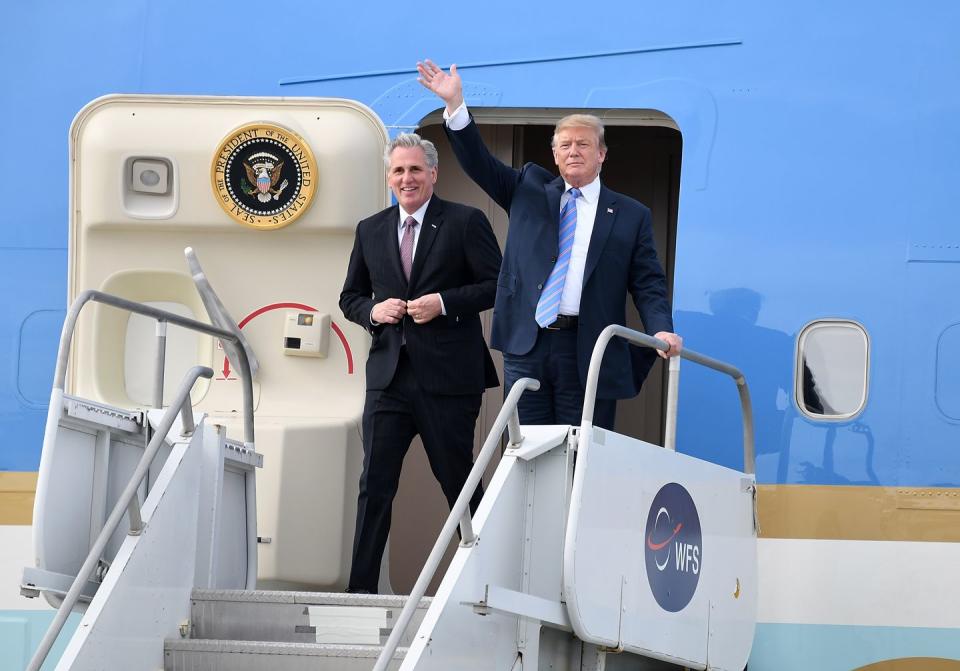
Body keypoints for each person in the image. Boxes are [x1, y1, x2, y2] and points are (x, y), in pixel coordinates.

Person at [416, 60, 683, 431]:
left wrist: (660, 329)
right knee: (529, 452)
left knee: (579, 454)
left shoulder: (630, 214)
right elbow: (479, 163)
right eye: (565, 145)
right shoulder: (527, 189)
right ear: (555, 155)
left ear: (602, 154)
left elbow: (648, 283)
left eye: (583, 144)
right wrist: (455, 106)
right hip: (529, 345)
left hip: (589, 349)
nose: (573, 151)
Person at [339, 133, 502, 593]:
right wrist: (373, 311)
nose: (406, 179)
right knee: (375, 487)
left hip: (448, 380)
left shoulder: (465, 222)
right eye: (398, 171)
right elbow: (349, 295)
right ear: (389, 178)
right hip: (389, 377)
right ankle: (360, 595)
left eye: (415, 170)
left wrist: (445, 303)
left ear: (433, 173)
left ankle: (484, 586)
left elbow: (497, 283)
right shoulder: (370, 229)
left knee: (459, 483)